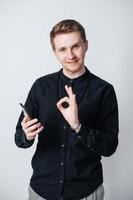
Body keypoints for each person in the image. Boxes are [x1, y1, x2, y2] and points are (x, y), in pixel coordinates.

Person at [15, 19, 119, 200]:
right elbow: (19, 138)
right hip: (41, 191)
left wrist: (78, 126)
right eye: (62, 49)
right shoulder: (40, 86)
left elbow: (110, 147)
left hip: (86, 192)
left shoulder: (104, 90)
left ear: (86, 45)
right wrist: (27, 135)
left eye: (75, 46)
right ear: (55, 52)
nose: (70, 54)